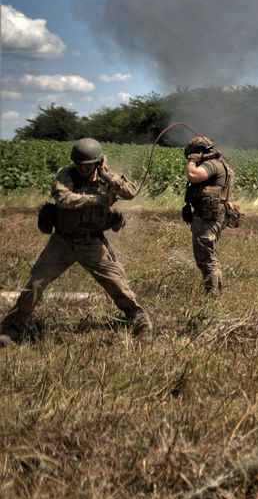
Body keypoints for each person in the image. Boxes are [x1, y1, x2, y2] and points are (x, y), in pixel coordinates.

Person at [1, 138, 153, 346]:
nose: (82, 168)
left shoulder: (106, 178)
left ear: (97, 163)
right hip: (63, 241)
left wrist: (108, 177)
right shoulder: (66, 175)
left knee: (118, 285)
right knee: (35, 284)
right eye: (79, 164)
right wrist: (100, 200)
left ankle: (141, 325)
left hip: (92, 243)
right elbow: (64, 199)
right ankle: (11, 330)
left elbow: (130, 192)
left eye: (88, 165)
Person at [184, 135, 234, 294]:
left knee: (207, 259)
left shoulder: (212, 165)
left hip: (208, 218)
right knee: (210, 256)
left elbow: (193, 175)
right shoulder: (220, 164)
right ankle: (215, 293)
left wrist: (192, 160)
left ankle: (212, 296)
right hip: (212, 216)